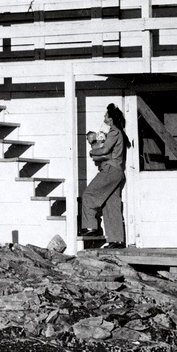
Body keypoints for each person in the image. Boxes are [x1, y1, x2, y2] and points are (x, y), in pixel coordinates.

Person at [79, 104, 128, 248]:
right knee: (111, 206)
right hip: (118, 172)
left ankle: (90, 228)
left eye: (106, 115)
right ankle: (116, 240)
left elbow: (106, 149)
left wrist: (93, 152)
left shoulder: (114, 132)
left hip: (110, 171)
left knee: (88, 194)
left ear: (111, 118)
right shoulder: (117, 132)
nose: (104, 118)